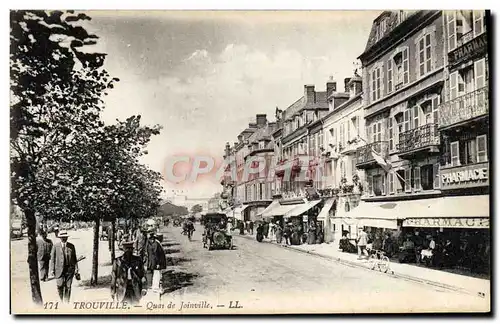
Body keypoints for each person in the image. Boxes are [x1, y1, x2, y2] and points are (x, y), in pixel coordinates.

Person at [110, 240, 147, 305]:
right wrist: (113, 291)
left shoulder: (138, 260)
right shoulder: (118, 261)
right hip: (122, 290)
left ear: (132, 250)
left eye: (130, 249)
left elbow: (143, 275)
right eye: (127, 249)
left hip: (135, 289)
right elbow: (114, 277)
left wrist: (144, 288)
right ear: (124, 250)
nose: (128, 251)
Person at [50, 231, 79, 303]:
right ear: (60, 238)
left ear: (67, 238)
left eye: (65, 237)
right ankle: (61, 300)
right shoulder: (55, 246)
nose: (64, 239)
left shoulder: (71, 246)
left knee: (68, 287)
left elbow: (74, 258)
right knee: (60, 286)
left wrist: (76, 268)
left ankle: (66, 302)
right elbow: (52, 259)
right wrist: (52, 270)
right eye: (62, 237)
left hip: (69, 270)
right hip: (59, 270)